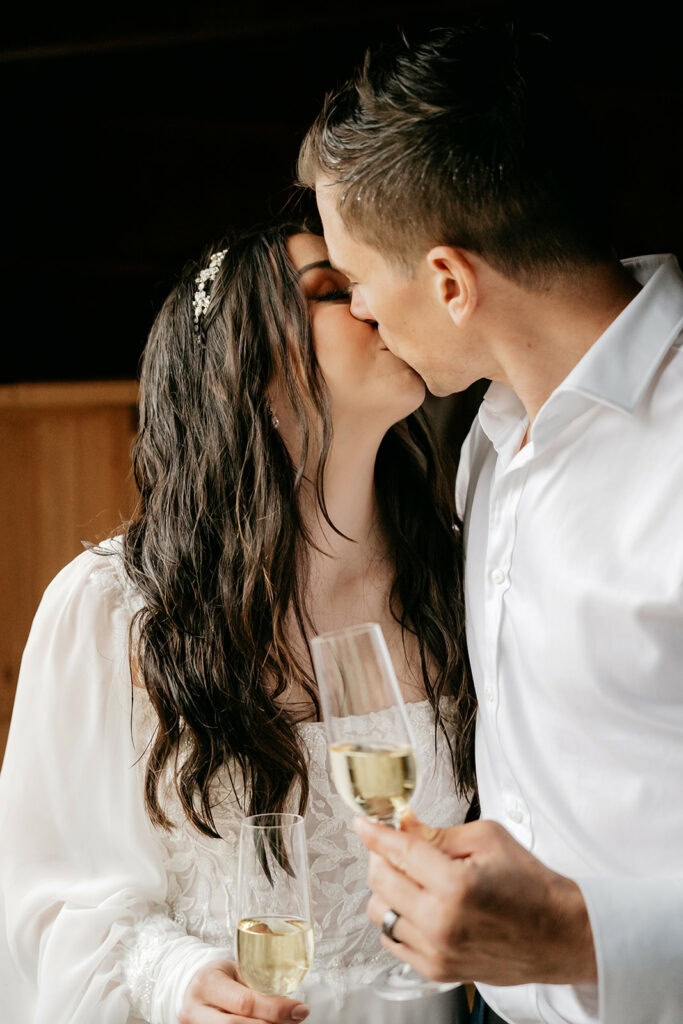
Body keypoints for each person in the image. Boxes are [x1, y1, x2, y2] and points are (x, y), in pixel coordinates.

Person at [298, 20, 683, 1024]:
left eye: (355, 281)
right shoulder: (487, 439)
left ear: (447, 281)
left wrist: (577, 934)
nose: (360, 314)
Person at [0, 222, 475, 1024]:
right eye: (330, 291)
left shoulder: (455, 579)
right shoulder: (109, 610)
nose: (372, 302)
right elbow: (39, 900)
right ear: (244, 375)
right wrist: (173, 979)